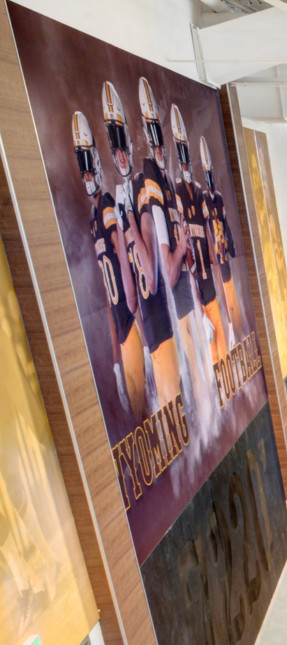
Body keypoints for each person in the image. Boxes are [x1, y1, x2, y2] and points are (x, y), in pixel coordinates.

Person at [104, 80, 178, 412]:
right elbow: (132, 298)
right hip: (153, 338)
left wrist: (130, 220)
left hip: (162, 331)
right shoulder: (126, 196)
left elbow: (151, 277)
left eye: (123, 146)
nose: (121, 154)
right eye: (114, 147)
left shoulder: (142, 188)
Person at [74, 110, 146, 421]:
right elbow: (107, 296)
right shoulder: (93, 221)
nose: (89, 178)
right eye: (84, 172)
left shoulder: (105, 208)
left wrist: (144, 336)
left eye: (91, 171)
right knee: (140, 418)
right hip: (122, 330)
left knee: (148, 415)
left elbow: (125, 264)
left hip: (133, 325)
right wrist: (115, 361)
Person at [169, 105, 226, 366]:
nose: (184, 162)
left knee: (222, 349)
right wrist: (197, 303)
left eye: (185, 155)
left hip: (209, 284)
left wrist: (217, 272)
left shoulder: (200, 194)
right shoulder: (178, 193)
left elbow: (210, 246)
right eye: (179, 156)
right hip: (197, 292)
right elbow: (187, 252)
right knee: (207, 359)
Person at [200, 136, 241, 343]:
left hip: (224, 259)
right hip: (216, 262)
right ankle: (231, 330)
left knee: (235, 309)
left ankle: (236, 329)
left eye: (210, 173)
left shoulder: (218, 197)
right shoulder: (205, 200)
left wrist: (232, 248)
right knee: (225, 307)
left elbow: (225, 225)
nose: (209, 178)